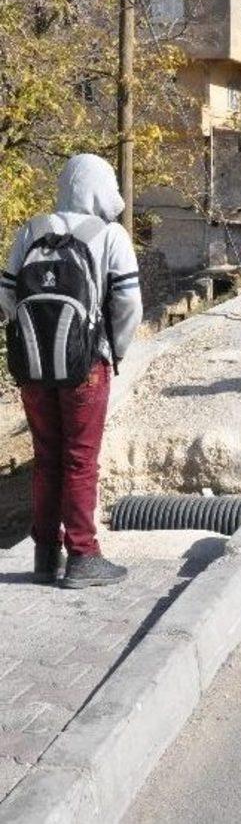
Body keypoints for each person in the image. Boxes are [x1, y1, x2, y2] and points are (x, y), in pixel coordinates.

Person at [0, 154, 143, 587]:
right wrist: (111, 349)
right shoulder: (110, 235)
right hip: (87, 366)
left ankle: (46, 554)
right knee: (80, 460)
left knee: (47, 458)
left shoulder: (30, 230)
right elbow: (129, 305)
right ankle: (83, 555)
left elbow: (6, 296)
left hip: (34, 367)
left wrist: (34, 337)